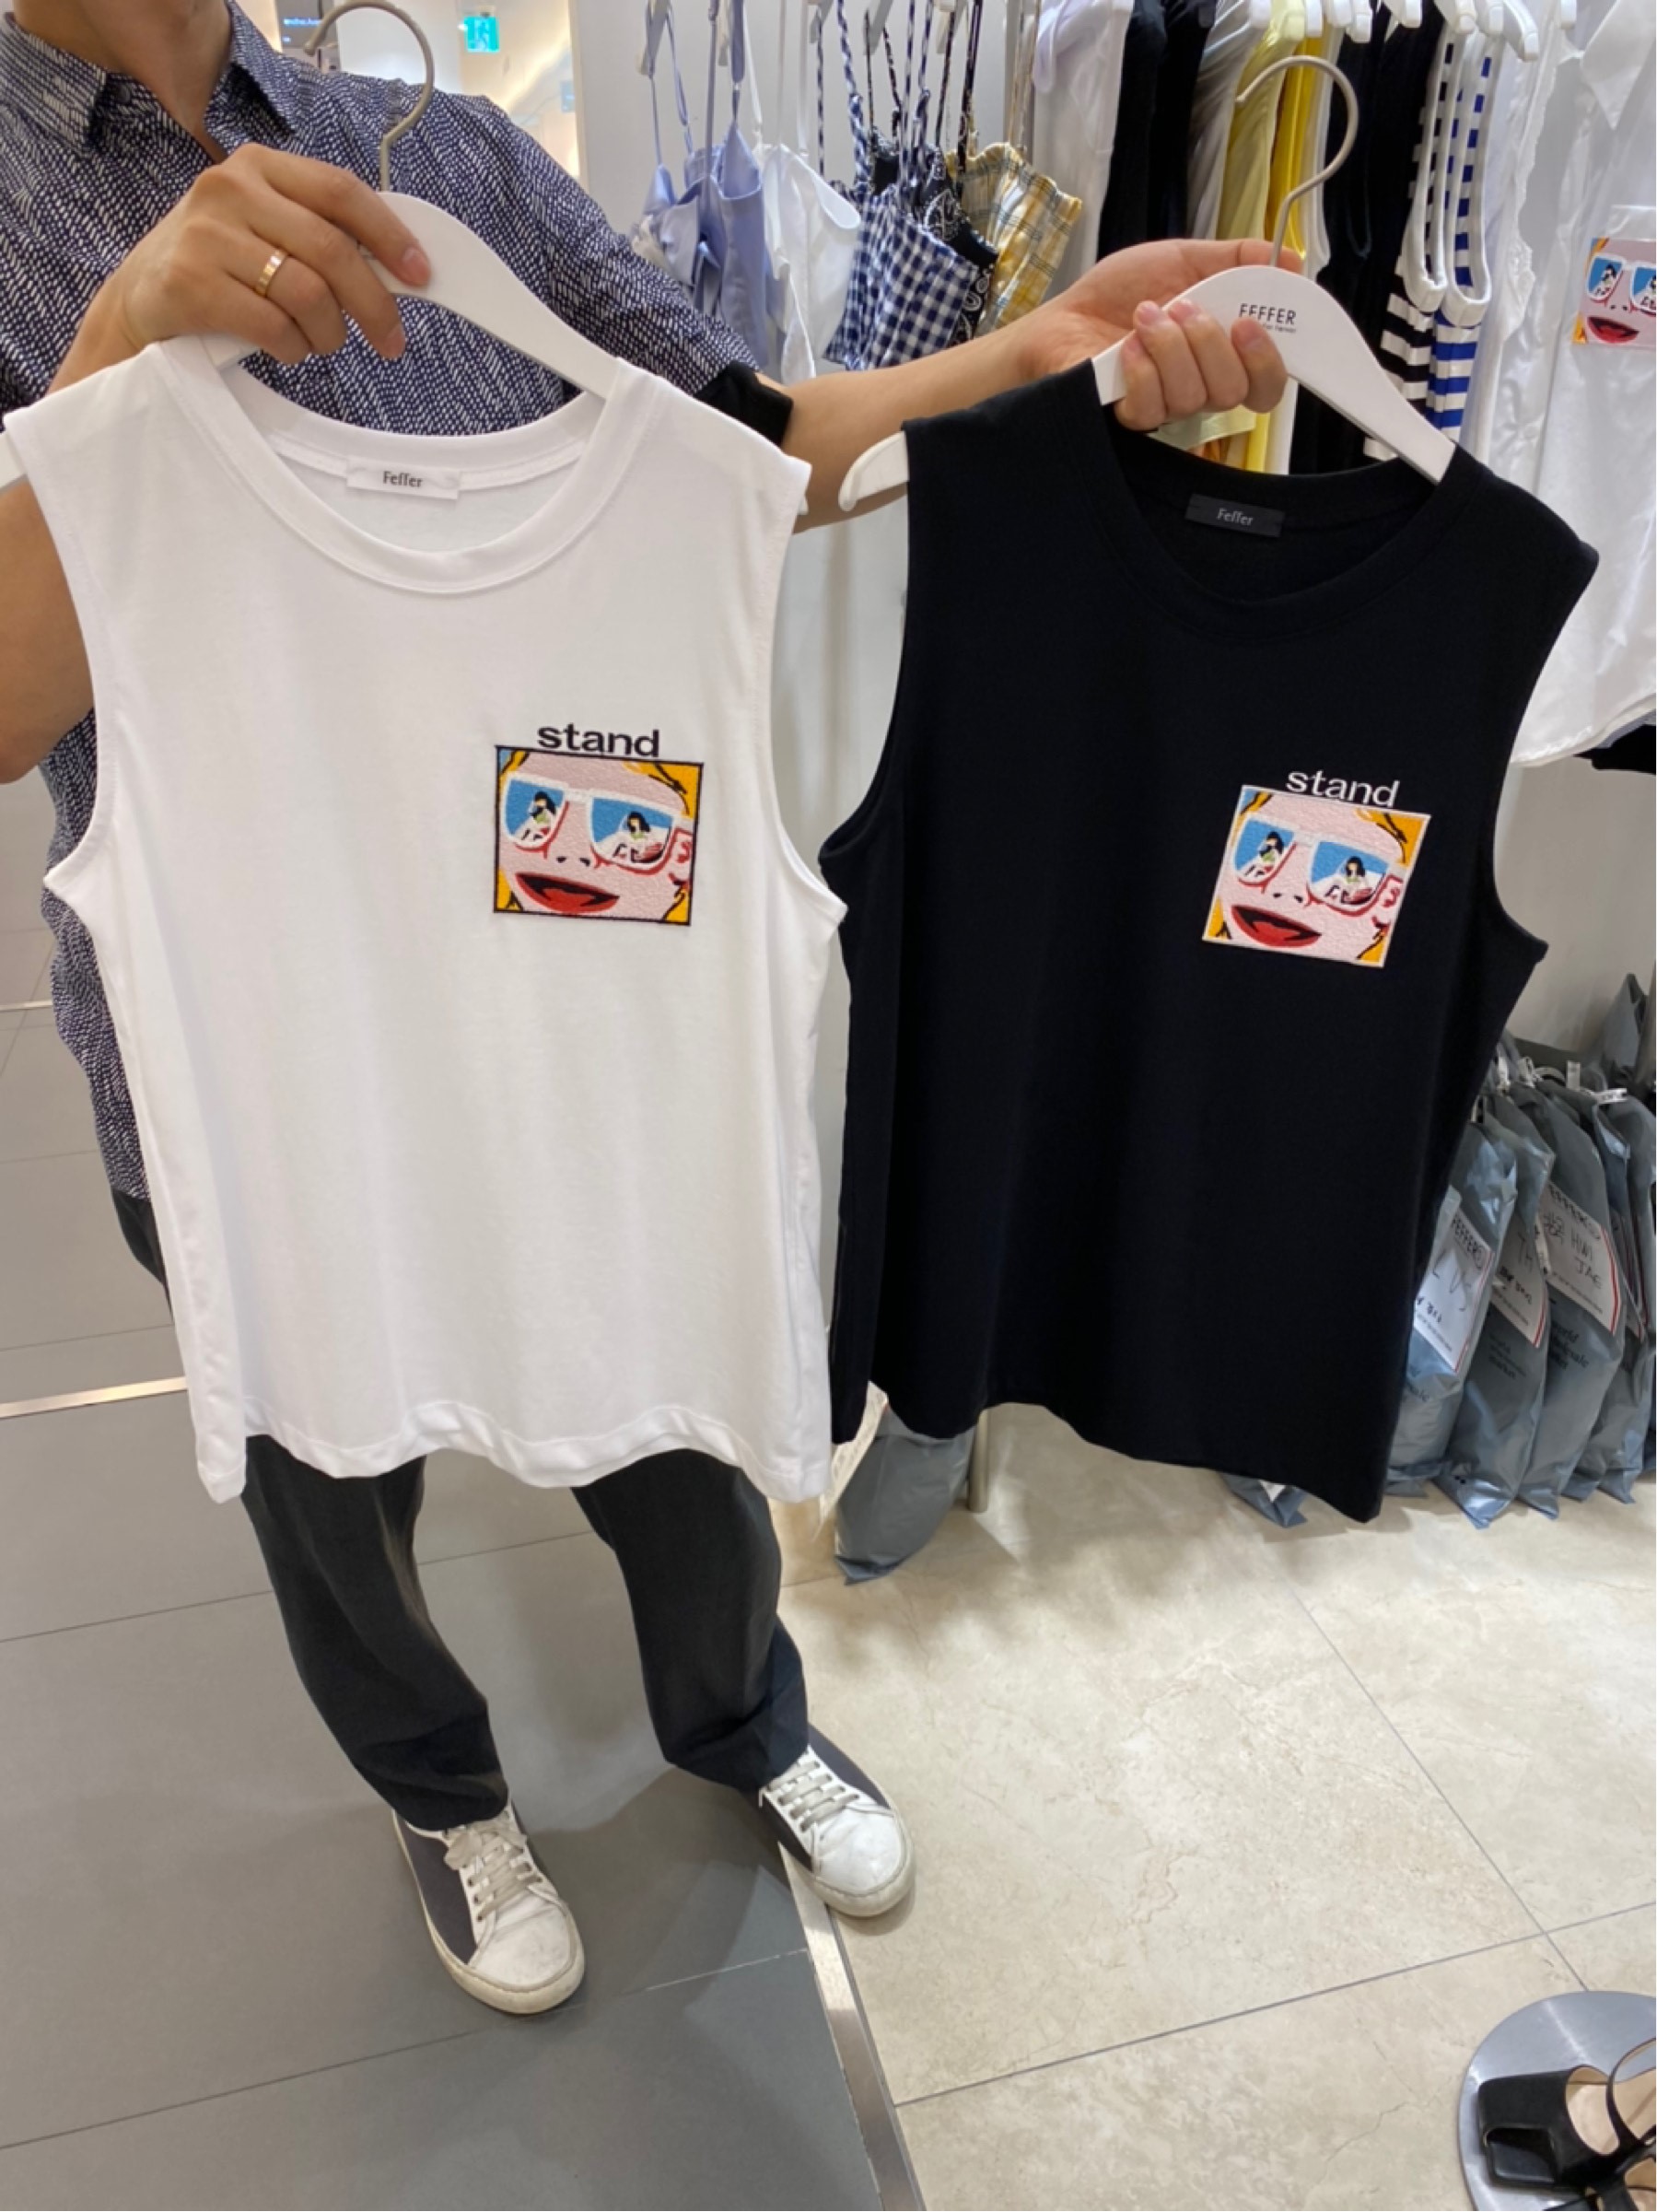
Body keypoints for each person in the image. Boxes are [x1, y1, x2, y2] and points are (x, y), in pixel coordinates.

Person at [0, 0, 1293, 2017]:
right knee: (332, 1490)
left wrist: (1028, 363)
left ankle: (742, 1715)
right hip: (258, 1045)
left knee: (678, 1427)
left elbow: (739, 441)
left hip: (575, 988)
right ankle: (441, 1792)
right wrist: (106, 372)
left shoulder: (438, 152)